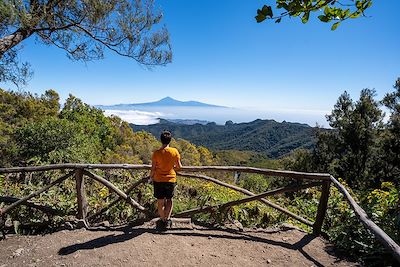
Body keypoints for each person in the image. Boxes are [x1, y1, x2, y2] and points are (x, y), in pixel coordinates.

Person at [149, 130, 182, 229]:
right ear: (170, 140)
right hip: (170, 179)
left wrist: (151, 177)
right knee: (169, 200)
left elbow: (153, 168)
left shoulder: (156, 153)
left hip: (158, 179)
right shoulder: (174, 151)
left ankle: (162, 219)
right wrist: (172, 169)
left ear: (161, 140)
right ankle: (167, 220)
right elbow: (179, 166)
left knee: (160, 202)